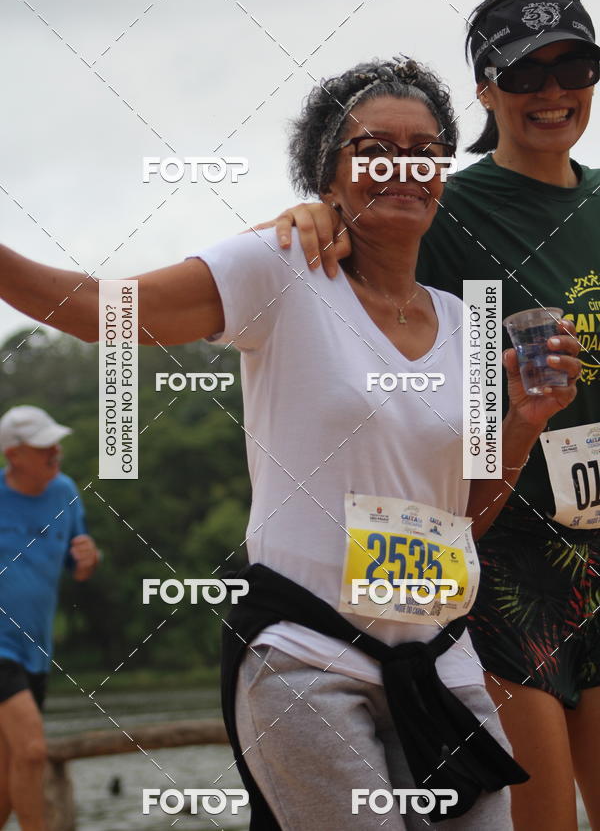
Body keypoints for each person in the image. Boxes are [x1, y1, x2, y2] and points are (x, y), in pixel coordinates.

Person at [0, 58, 581, 830]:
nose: (403, 165)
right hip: (307, 656)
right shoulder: (282, 270)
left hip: (442, 660)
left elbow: (466, 515)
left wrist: (529, 418)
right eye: (374, 149)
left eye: (425, 148)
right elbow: (110, 312)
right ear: (328, 176)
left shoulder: (471, 323)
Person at [267, 0, 600, 831]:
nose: (553, 92)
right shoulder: (449, 206)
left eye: (576, 67)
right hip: (487, 556)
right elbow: (345, 232)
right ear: (487, 91)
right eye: (526, 75)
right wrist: (314, 211)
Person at [0, 406, 99, 831]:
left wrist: (88, 558)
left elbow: (78, 561)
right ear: (14, 454)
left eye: (55, 442)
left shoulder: (65, 493)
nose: (55, 451)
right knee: (34, 750)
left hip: (36, 651)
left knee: (8, 777)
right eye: (43, 446)